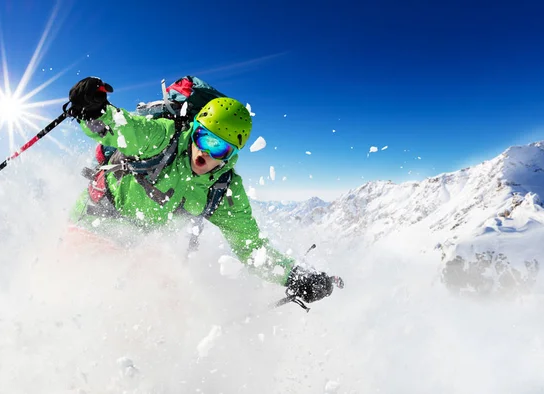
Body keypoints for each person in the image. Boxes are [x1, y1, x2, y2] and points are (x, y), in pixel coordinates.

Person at [66, 76, 341, 304]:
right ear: (194, 129)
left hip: (141, 244)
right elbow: (126, 128)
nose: (205, 152)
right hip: (96, 222)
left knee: (165, 309)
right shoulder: (163, 138)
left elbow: (252, 248)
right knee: (88, 294)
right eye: (203, 137)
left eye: (219, 147)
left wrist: (294, 277)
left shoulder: (224, 189)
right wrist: (94, 109)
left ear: (230, 155)